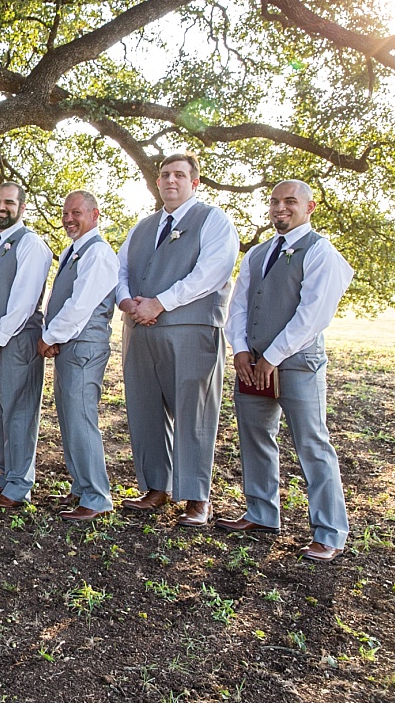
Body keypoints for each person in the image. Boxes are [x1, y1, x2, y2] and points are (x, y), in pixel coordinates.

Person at [217, 180, 354, 562]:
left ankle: (328, 532)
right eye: (275, 201)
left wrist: (272, 357)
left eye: (290, 201)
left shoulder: (320, 251)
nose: (280, 207)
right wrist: (242, 351)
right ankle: (262, 513)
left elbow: (312, 315)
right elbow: (238, 306)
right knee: (255, 438)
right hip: (253, 362)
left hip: (296, 365)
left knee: (312, 444)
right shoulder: (258, 254)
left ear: (309, 208)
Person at [117, 152, 239, 526]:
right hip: (140, 330)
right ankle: (156, 487)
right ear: (157, 182)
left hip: (190, 329)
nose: (171, 181)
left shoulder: (213, 220)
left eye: (180, 176)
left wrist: (160, 303)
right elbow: (121, 268)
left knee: (194, 412)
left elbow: (211, 272)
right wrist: (126, 300)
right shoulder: (143, 226)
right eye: (165, 175)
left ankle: (196, 497)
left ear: (195, 182)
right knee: (145, 409)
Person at [0, 183, 51, 510]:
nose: (1, 207)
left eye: (9, 202)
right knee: (0, 413)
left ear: (22, 208)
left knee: (19, 413)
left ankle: (19, 486)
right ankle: (4, 477)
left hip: (17, 341)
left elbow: (24, 301)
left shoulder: (31, 244)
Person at [37, 191, 118, 522]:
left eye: (77, 212)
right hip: (70, 346)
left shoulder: (97, 253)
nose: (69, 218)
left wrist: (48, 337)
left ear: (95, 214)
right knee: (70, 417)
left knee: (82, 419)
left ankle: (97, 497)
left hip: (84, 346)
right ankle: (82, 487)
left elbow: (80, 306)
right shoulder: (74, 251)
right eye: (65, 213)